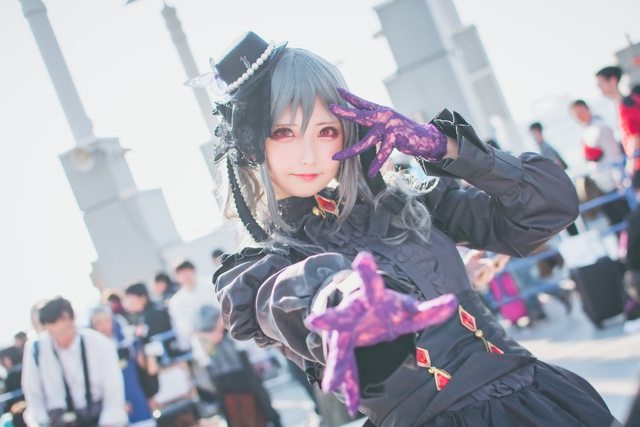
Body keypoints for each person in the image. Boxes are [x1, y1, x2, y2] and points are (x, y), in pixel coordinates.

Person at [209, 32, 618, 426]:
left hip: (540, 400)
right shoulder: (258, 271)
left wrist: (441, 146)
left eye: (326, 130)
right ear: (250, 140)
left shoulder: (406, 206)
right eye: (283, 132)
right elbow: (302, 293)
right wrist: (349, 296)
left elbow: (550, 206)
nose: (309, 154)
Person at [21, 297, 128, 426]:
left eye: (65, 330)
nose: (61, 338)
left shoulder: (101, 344)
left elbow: (114, 395)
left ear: (74, 319)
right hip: (56, 419)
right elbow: (33, 397)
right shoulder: (35, 350)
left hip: (99, 418)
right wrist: (41, 422)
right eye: (53, 333)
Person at [191, 305, 281, 427]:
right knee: (236, 411)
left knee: (260, 404)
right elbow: (205, 354)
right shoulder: (200, 338)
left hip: (241, 372)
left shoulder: (228, 329)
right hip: (223, 378)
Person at [90, 307, 156, 427]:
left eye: (106, 320)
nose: (103, 326)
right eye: (98, 323)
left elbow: (144, 371)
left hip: (137, 403)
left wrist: (150, 396)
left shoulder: (128, 342)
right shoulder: (91, 353)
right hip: (112, 412)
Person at [596, 66, 640, 182]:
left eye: (601, 83)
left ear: (613, 80)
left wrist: (630, 166)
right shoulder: (627, 102)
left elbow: (634, 136)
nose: (599, 87)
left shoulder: (626, 105)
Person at [570, 99, 623, 192]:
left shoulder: (600, 127)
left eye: (581, 111)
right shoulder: (584, 131)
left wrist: (619, 179)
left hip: (613, 181)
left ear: (588, 109)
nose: (579, 116)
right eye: (576, 114)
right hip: (600, 182)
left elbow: (614, 154)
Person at [168, 261, 216, 350]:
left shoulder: (210, 284)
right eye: (180, 273)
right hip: (203, 346)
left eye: (187, 270)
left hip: (228, 335)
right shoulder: (176, 302)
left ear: (194, 270)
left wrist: (218, 332)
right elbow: (185, 329)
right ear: (175, 277)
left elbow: (225, 308)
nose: (185, 275)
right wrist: (210, 336)